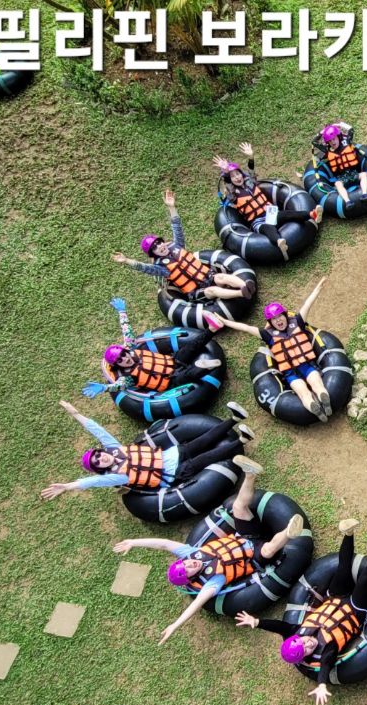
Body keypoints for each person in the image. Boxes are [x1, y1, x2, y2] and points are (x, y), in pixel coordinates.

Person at [112, 457, 304, 643]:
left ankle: (250, 474)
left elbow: (163, 544)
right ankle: (289, 532)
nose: (190, 564)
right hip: (254, 557)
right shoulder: (213, 581)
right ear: (192, 578)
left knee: (238, 507)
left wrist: (133, 542)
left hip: (245, 536)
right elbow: (196, 604)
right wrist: (175, 625)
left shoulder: (189, 553)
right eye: (189, 570)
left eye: (186, 564)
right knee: (269, 550)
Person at [235, 517, 367, 705]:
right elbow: (326, 664)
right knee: (364, 581)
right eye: (307, 647)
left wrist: (257, 622)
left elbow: (280, 627)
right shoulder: (326, 650)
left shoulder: (298, 633)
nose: (308, 642)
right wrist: (322, 684)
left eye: (302, 641)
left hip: (334, 598)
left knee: (343, 567)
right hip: (356, 610)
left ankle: (348, 532)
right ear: (307, 655)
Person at [39, 400, 252, 500]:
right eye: (98, 462)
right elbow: (92, 482)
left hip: (172, 453)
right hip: (173, 473)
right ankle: (242, 440)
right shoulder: (117, 476)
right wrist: (67, 486)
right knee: (207, 458)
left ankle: (234, 419)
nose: (101, 458)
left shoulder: (114, 449)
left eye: (98, 454)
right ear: (100, 469)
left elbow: (98, 431)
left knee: (204, 439)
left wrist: (76, 414)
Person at [215, 278, 332, 421]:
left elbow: (307, 304)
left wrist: (319, 287)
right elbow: (245, 328)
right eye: (274, 319)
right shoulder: (268, 335)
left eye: (280, 316)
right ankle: (316, 407)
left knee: (314, 385)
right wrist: (225, 321)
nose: (278, 320)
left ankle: (323, 402)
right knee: (305, 391)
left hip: (306, 366)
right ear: (270, 323)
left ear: (285, 315)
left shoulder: (298, 322)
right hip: (291, 373)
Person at [111, 188, 254, 301]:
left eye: (159, 243)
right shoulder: (162, 268)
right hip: (196, 291)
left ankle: (246, 285)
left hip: (207, 276)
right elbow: (145, 268)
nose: (159, 246)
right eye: (155, 247)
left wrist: (171, 208)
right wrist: (126, 260)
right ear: (153, 253)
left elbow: (177, 227)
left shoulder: (177, 246)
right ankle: (241, 294)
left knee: (221, 277)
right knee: (212, 290)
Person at [80, 297, 224, 400]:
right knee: (187, 376)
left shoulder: (131, 348)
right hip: (171, 381)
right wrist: (105, 388)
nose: (124, 358)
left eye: (123, 354)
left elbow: (127, 331)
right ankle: (204, 367)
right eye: (120, 360)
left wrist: (122, 312)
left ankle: (212, 328)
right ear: (117, 365)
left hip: (174, 361)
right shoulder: (128, 377)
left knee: (190, 347)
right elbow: (118, 386)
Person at [214, 143, 322, 260]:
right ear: (231, 180)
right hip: (258, 222)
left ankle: (312, 214)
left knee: (288, 214)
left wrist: (251, 156)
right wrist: (225, 172)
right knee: (268, 229)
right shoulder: (233, 194)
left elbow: (251, 171)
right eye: (233, 177)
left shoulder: (250, 183)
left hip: (271, 213)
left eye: (238, 174)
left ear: (241, 174)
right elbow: (228, 184)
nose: (237, 177)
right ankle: (279, 241)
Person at [311, 122, 367, 208]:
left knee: (364, 174)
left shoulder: (347, 143)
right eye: (330, 141)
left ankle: (365, 194)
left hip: (353, 173)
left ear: (338, 137)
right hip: (342, 178)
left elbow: (351, 130)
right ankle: (348, 202)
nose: (332, 142)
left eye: (334, 139)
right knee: (337, 184)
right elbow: (314, 142)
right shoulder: (327, 150)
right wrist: (322, 132)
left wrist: (340, 125)